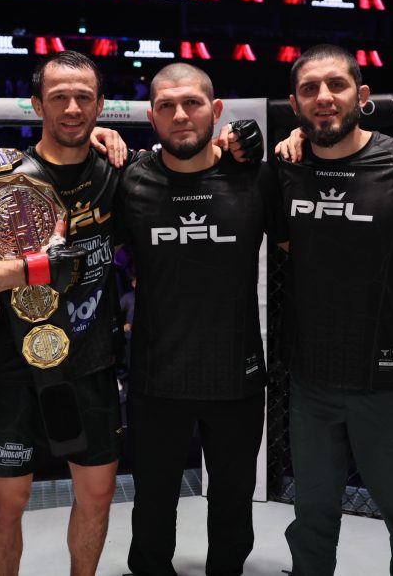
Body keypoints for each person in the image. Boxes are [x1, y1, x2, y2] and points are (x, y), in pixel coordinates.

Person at [0, 51, 128, 576]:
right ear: (38, 104)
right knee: (8, 502)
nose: (72, 108)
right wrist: (32, 268)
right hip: (16, 367)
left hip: (91, 361)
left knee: (97, 495)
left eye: (83, 97)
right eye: (59, 97)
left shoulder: (116, 169)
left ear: (101, 106)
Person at [274, 45, 393, 576]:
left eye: (337, 85)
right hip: (313, 377)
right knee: (312, 515)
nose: (324, 97)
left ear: (362, 95)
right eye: (310, 89)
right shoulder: (285, 170)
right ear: (295, 105)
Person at [116, 63, 279, 576]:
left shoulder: (255, 177)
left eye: (192, 103)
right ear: (151, 117)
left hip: (237, 374)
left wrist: (291, 140)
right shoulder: (130, 181)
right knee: (153, 500)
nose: (180, 115)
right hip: (156, 375)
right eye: (166, 106)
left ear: (217, 110)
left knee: (233, 501)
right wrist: (101, 137)